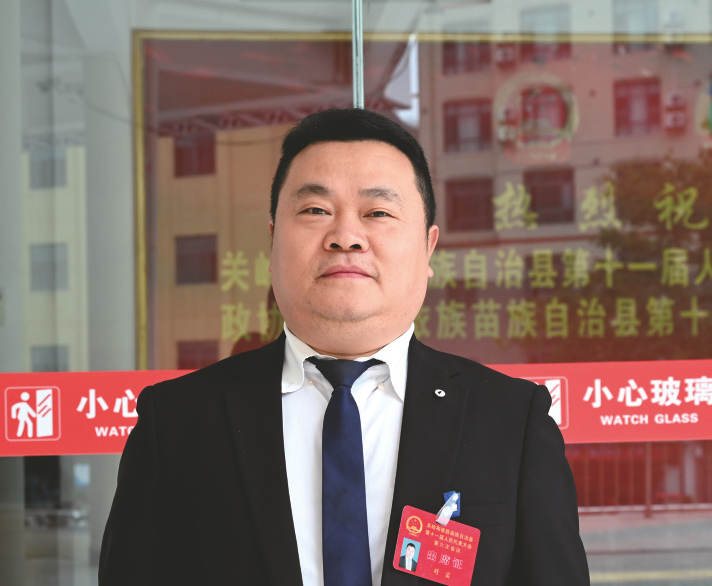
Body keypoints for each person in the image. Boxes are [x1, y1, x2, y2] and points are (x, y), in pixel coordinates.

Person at [99, 108, 590, 585]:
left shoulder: (511, 422)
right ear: (272, 241)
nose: (346, 237)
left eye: (378, 212)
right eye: (316, 210)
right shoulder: (176, 422)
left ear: (428, 247)